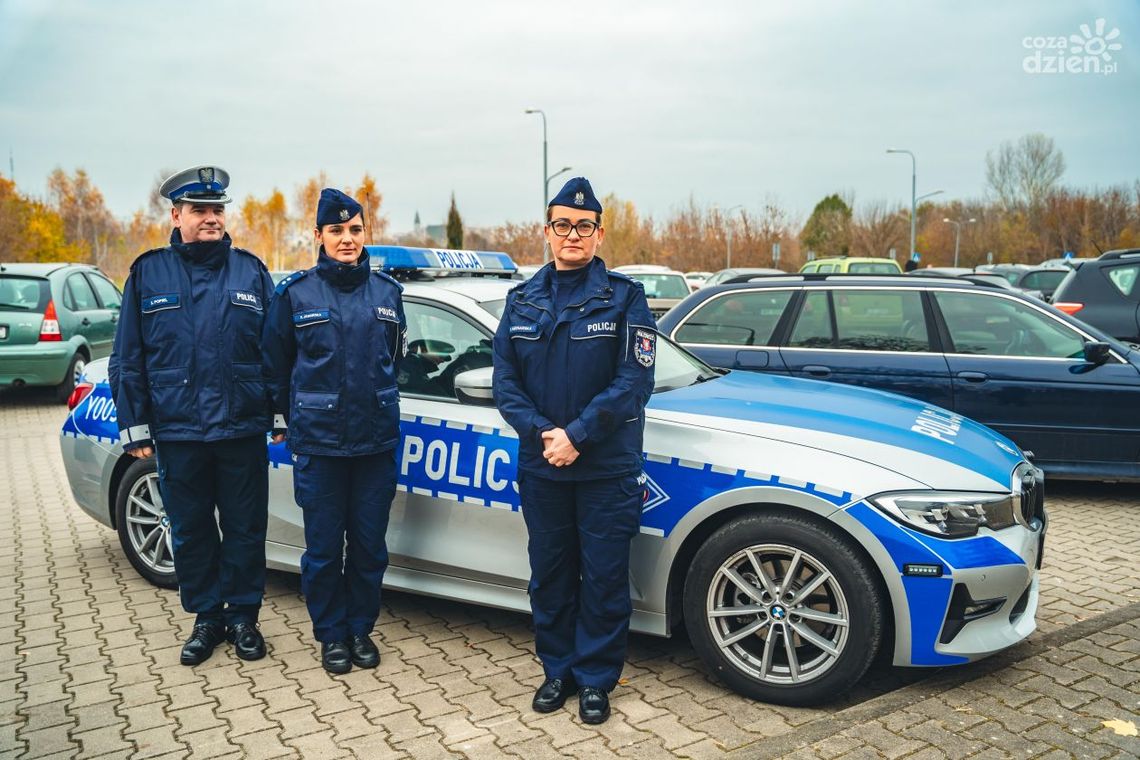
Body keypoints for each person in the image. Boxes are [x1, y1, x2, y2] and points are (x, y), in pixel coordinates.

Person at [492, 177, 656, 724]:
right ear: (547, 231)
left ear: (598, 233)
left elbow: (634, 381)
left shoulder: (626, 298)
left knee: (605, 577)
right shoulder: (521, 302)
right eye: (562, 225)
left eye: (583, 226)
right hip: (543, 466)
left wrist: (577, 435)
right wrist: (544, 434)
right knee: (551, 574)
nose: (572, 235)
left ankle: (595, 680)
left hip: (606, 468)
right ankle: (556, 670)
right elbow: (505, 384)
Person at [109, 166, 274, 666]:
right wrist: (135, 424)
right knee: (190, 528)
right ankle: (207, 617)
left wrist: (281, 415)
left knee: (246, 527)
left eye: (217, 210)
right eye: (200, 210)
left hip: (241, 426)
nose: (211, 219)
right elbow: (127, 355)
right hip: (177, 429)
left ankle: (243, 617)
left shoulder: (251, 271)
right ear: (176, 214)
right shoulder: (148, 273)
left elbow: (276, 353)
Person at [261, 188, 407, 674]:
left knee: (369, 548)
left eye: (355, 230)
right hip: (320, 447)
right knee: (323, 552)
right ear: (319, 235)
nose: (348, 239)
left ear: (365, 233)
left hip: (375, 445)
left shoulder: (388, 293)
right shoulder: (295, 294)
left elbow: (394, 358)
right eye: (337, 231)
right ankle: (331, 635)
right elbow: (276, 366)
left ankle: (360, 630)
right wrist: (282, 420)